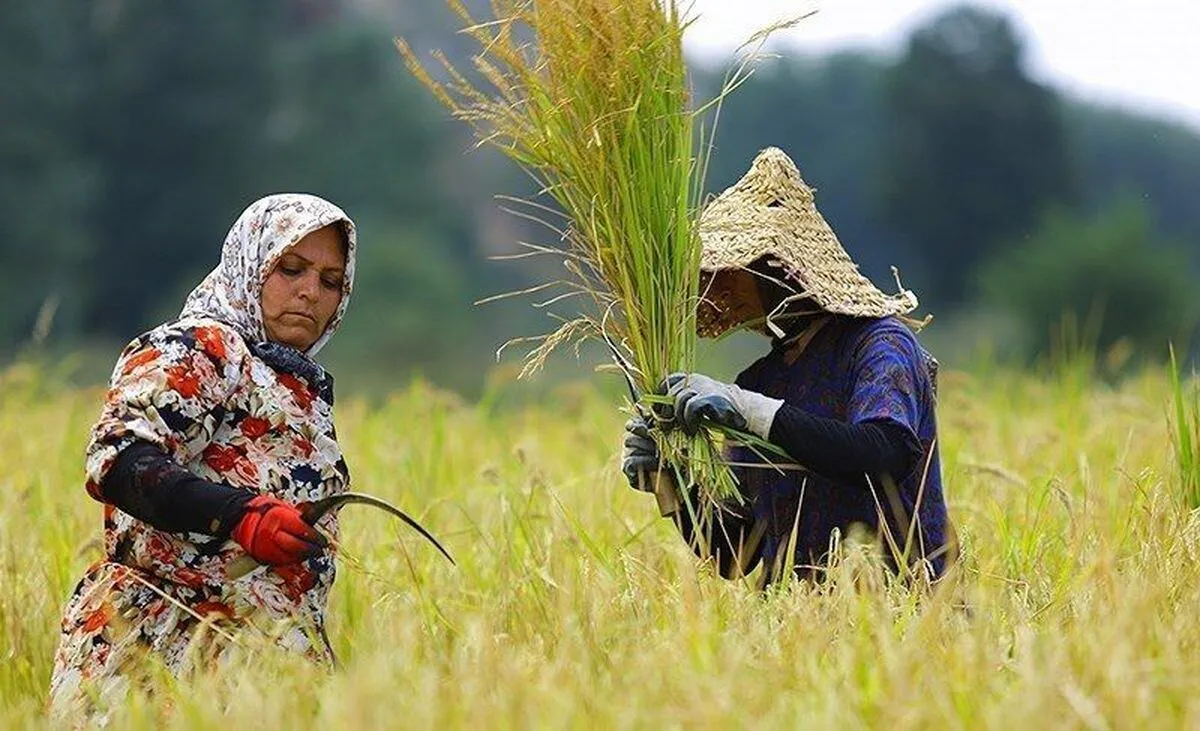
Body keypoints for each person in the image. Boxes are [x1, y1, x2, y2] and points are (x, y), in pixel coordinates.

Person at [50, 193, 357, 714]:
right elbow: (120, 459)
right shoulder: (202, 348)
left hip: (257, 669)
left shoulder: (293, 384)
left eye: (330, 281)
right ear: (251, 265)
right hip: (157, 657)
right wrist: (239, 514)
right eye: (291, 269)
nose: (310, 292)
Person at [621, 148, 954, 586]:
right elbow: (734, 553)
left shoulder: (879, 344)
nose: (720, 288)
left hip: (903, 609)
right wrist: (671, 481)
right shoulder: (760, 381)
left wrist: (751, 412)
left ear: (780, 268)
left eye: (733, 270)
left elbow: (884, 453)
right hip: (798, 621)